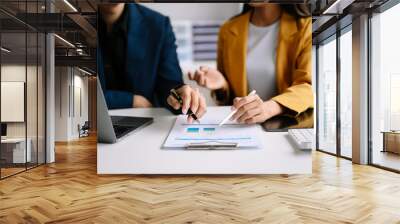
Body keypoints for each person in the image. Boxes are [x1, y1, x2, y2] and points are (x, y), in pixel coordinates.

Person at [189, 3, 313, 124]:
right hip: (244, 125)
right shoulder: (228, 29)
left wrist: (270, 108)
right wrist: (223, 85)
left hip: (287, 126)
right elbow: (230, 100)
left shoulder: (305, 26)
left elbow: (309, 87)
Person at [98, 3, 206, 123]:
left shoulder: (158, 25)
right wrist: (131, 101)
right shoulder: (75, 21)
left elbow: (169, 85)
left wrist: (181, 93)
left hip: (142, 125)